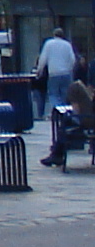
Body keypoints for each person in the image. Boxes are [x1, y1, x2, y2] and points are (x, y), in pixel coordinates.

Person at [38, 30, 80, 168]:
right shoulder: (67, 45)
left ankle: (57, 112)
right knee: (64, 95)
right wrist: (68, 70)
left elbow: (43, 58)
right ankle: (65, 112)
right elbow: (73, 60)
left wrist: (39, 71)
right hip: (66, 74)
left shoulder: (49, 43)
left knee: (53, 94)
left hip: (54, 73)